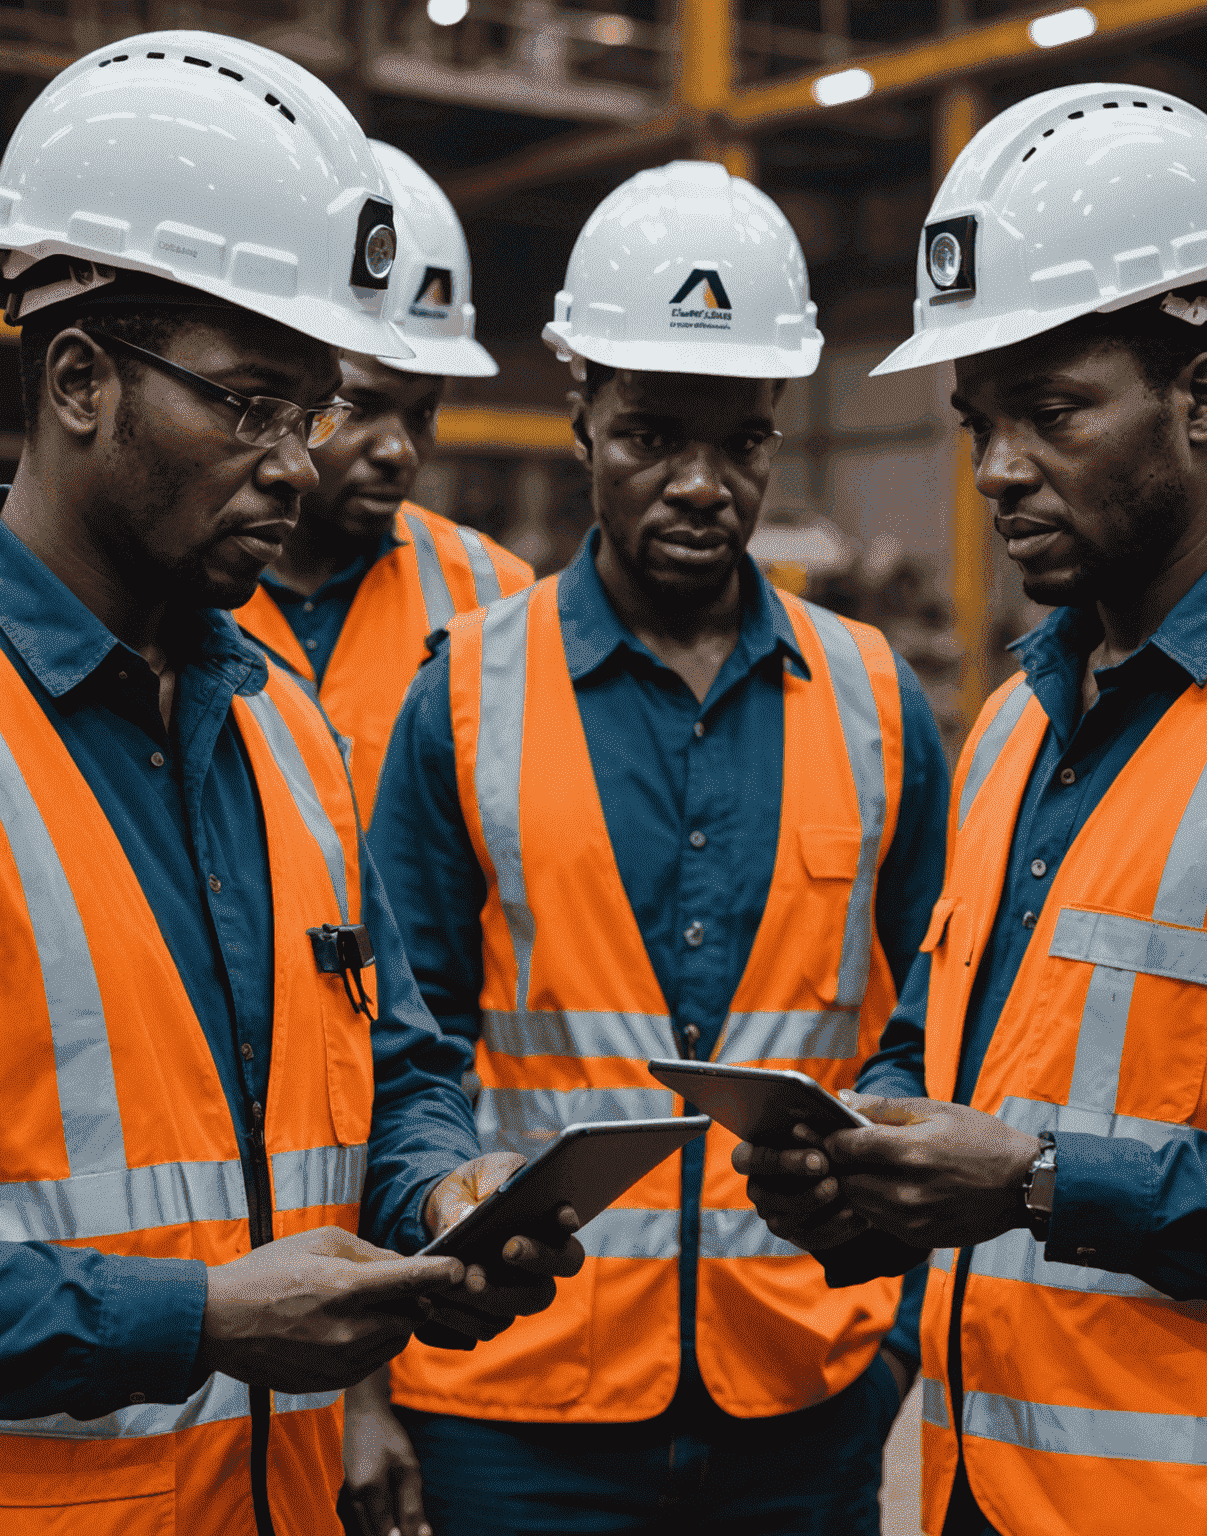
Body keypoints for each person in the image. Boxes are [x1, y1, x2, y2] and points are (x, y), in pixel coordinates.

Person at [0, 33, 578, 1536]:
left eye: (309, 409)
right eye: (248, 402)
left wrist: (435, 1198)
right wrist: (195, 1320)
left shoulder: (287, 729)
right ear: (82, 379)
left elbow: (399, 1070)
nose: (297, 465)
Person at [733, 82, 1207, 1536]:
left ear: (1206, 395)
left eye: (1052, 412)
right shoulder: (1023, 716)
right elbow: (976, 1044)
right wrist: (866, 1154)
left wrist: (1032, 1181)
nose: (998, 468)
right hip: (982, 1490)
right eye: (977, 422)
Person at [365, 159, 952, 1536]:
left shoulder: (876, 700)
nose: (701, 484)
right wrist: (441, 1200)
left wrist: (895, 1336)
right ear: (579, 413)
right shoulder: (460, 698)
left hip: (804, 1400)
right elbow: (404, 1049)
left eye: (738, 441)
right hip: (516, 1413)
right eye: (652, 436)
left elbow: (938, 1028)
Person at [235, 140, 532, 829]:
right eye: (362, 409)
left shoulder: (498, 596)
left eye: (423, 413)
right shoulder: (185, 583)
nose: (400, 451)